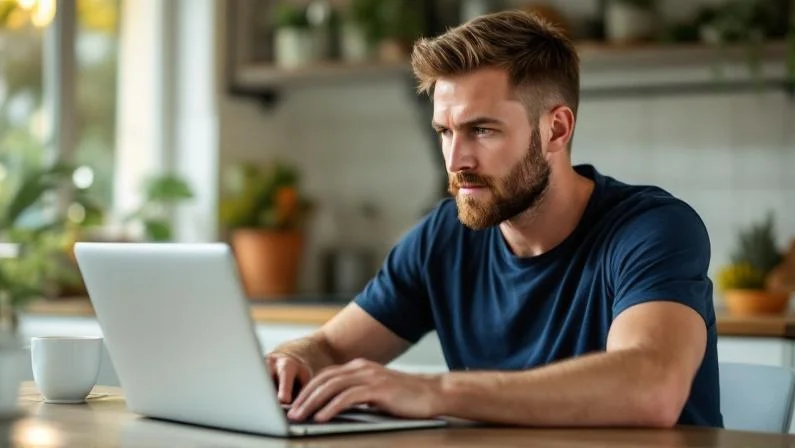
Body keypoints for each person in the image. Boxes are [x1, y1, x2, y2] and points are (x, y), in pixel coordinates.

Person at [267, 10, 723, 428]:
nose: (455, 159)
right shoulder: (443, 237)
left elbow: (651, 388)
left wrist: (433, 391)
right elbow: (329, 348)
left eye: (482, 130)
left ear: (556, 130)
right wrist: (291, 360)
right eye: (445, 132)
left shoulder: (652, 230)